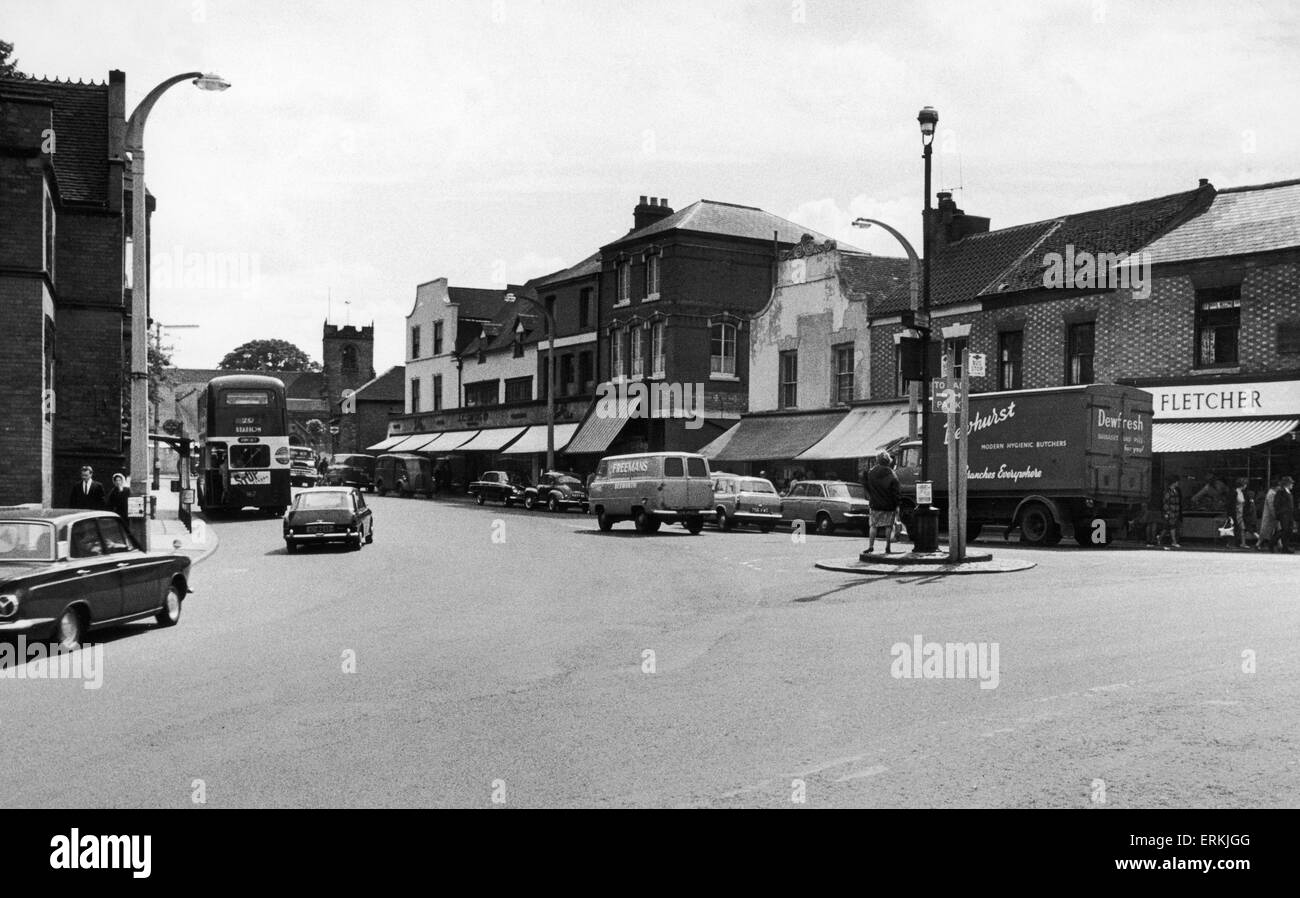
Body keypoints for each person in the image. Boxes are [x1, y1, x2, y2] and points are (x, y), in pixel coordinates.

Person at [863, 451, 901, 554]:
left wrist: (871, 494)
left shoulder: (871, 472)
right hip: (889, 504)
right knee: (888, 526)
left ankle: (871, 546)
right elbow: (896, 492)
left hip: (875, 503)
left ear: (877, 460)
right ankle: (887, 546)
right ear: (888, 461)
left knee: (873, 525)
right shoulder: (892, 474)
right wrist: (897, 505)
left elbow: (865, 483)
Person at [1233, 477, 1258, 549]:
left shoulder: (1241, 492)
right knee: (1242, 529)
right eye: (1245, 484)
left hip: (1241, 513)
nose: (1246, 486)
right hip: (1238, 513)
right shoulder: (1236, 492)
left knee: (1242, 529)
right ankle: (1238, 543)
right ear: (1243, 485)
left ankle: (1243, 543)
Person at [1273, 476, 1295, 554]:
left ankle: (1285, 547)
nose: (1292, 484)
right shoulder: (1281, 492)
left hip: (1289, 514)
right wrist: (1280, 512)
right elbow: (1276, 503)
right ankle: (1273, 543)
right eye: (1291, 483)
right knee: (1285, 530)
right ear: (1287, 484)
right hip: (1284, 514)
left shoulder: (1288, 492)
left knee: (1289, 530)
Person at [1160, 474, 1182, 549]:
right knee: (1172, 527)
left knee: (1167, 527)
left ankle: (1159, 538)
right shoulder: (1168, 491)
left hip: (1175, 512)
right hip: (1171, 512)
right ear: (1174, 482)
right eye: (1177, 482)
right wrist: (1167, 512)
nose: (1178, 483)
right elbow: (1166, 502)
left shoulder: (1175, 491)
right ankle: (1174, 541)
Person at [1257, 478, 1279, 552]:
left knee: (1278, 530)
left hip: (1272, 515)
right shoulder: (1271, 494)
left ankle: (1280, 545)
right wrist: (1275, 514)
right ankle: (1258, 544)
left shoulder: (1272, 493)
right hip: (1270, 515)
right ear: (1276, 486)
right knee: (1265, 530)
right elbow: (1271, 506)